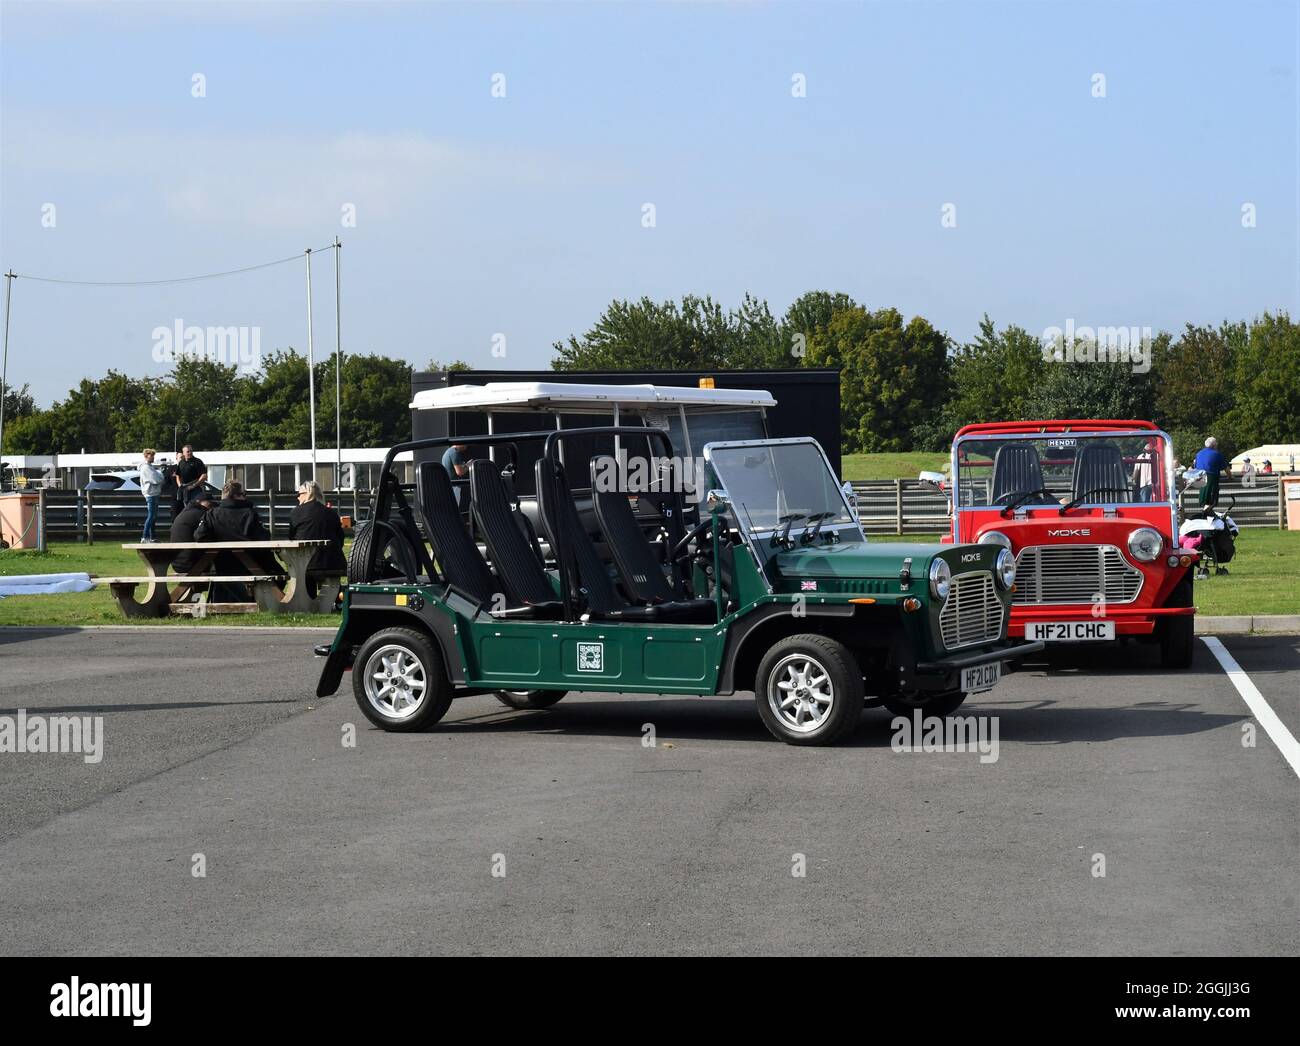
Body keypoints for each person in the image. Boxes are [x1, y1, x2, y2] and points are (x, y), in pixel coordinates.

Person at [196, 480, 279, 575]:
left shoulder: (211, 514)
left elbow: (200, 536)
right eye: (243, 494)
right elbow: (264, 538)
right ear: (235, 496)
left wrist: (217, 548)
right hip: (252, 566)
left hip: (222, 565)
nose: (245, 497)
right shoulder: (250, 514)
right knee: (278, 573)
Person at [289, 480, 347, 598]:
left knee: (305, 570)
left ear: (307, 493)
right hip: (332, 562)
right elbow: (340, 538)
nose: (297, 498)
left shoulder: (295, 513)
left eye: (299, 494)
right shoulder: (331, 513)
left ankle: (310, 600)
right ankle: (336, 599)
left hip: (305, 563)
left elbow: (291, 539)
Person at [1193, 437, 1231, 508]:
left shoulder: (1199, 454)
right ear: (1214, 445)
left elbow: (1196, 467)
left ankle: (1205, 512)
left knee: (1204, 500)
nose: (1217, 445)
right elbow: (1226, 468)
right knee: (1211, 501)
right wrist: (1230, 477)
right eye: (1216, 443)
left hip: (1201, 480)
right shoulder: (1217, 454)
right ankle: (1208, 514)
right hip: (1212, 480)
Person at [138, 448, 164, 542]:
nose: (153, 457)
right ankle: (144, 537)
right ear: (146, 456)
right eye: (151, 455)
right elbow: (157, 479)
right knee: (151, 516)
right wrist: (160, 475)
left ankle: (152, 537)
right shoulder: (146, 468)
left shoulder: (150, 467)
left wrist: (159, 476)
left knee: (153, 517)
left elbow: (158, 477)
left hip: (155, 493)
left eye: (154, 455)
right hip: (151, 494)